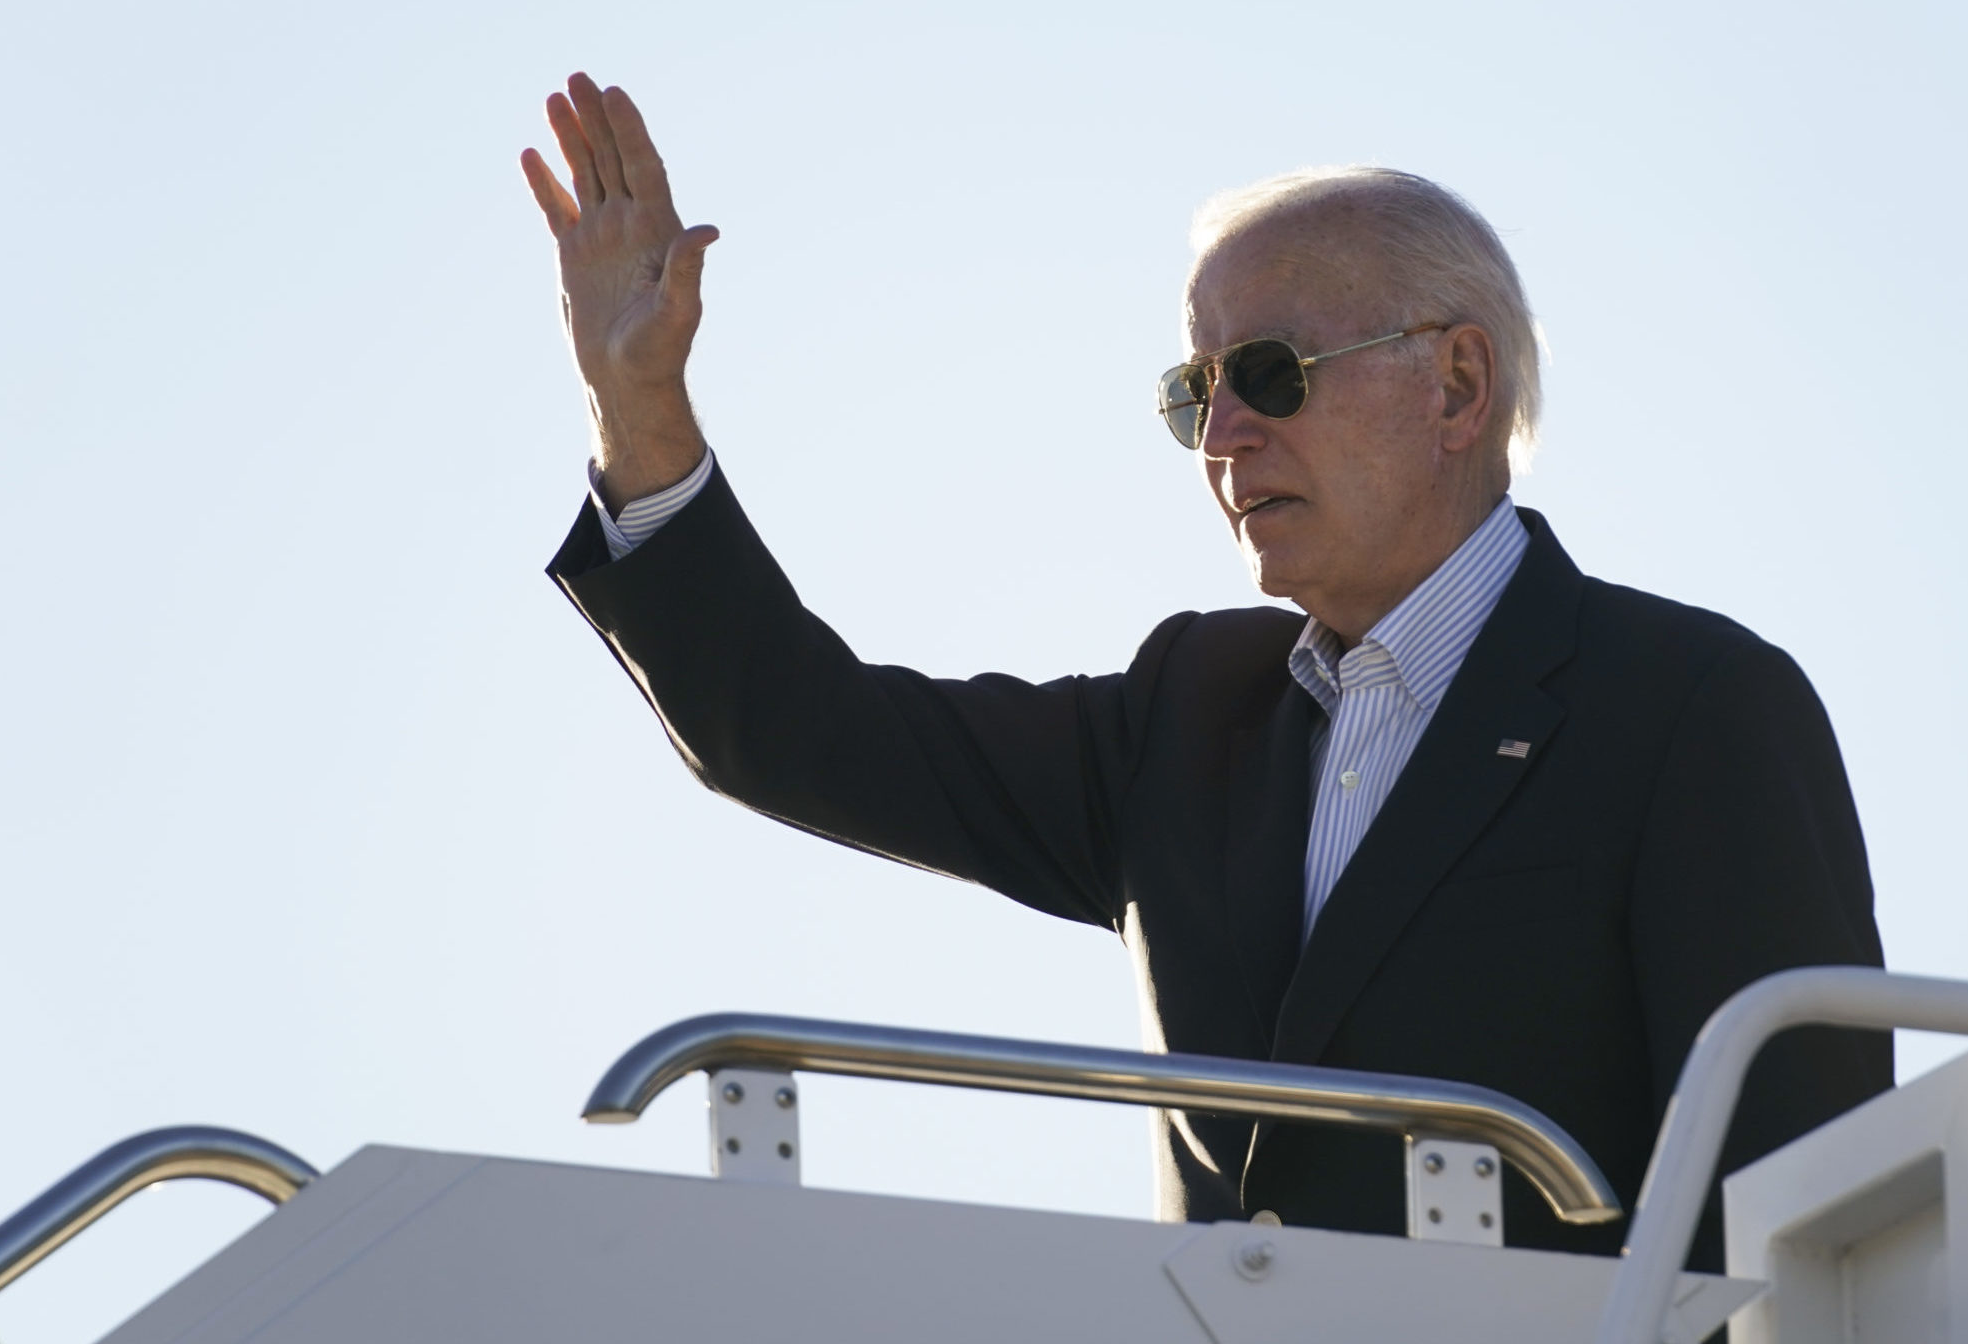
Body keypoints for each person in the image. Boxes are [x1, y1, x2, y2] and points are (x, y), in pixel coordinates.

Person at [521, 72, 1889, 1270]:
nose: (1223, 432)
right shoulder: (1189, 712)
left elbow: (1798, 1195)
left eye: (1272, 373)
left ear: (1459, 389)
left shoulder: (1689, 702)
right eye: (1195, 394)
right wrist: (638, 414)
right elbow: (803, 731)